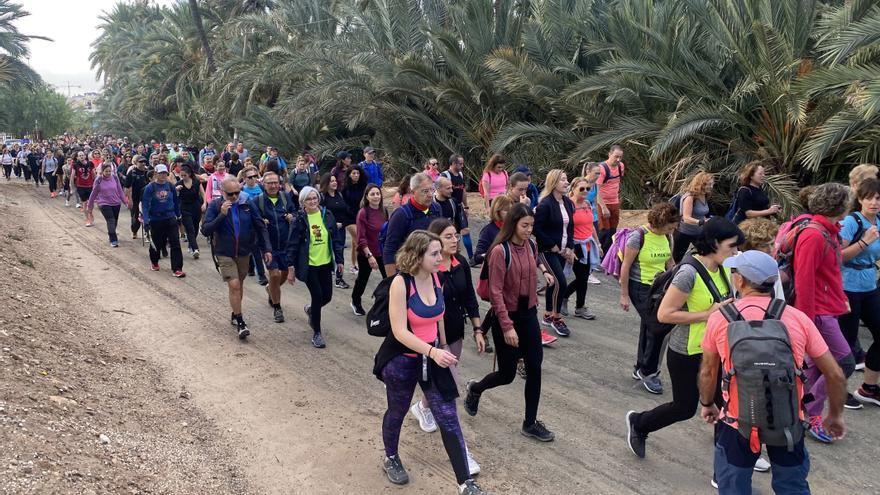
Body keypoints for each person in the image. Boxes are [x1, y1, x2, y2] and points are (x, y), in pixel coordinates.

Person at [699, 250, 847, 494]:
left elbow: (708, 371)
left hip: (738, 422)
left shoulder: (720, 319)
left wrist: (707, 403)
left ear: (740, 281)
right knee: (792, 487)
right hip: (788, 419)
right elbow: (836, 374)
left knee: (733, 486)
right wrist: (835, 415)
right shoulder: (797, 318)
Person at [372, 231, 487, 495]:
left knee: (448, 417)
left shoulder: (437, 277)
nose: (440, 257)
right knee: (397, 410)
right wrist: (433, 352)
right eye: (434, 253)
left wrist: (443, 345)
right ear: (417, 255)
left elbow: (439, 316)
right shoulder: (401, 283)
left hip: (433, 357)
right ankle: (391, 457)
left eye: (440, 252)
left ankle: (465, 483)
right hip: (401, 360)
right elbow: (400, 331)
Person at [625, 217, 742, 458]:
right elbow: (665, 314)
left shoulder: (722, 268)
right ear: (714, 243)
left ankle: (731, 454)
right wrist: (707, 314)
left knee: (726, 402)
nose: (736, 252)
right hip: (687, 351)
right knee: (684, 407)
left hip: (715, 349)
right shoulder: (688, 272)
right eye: (732, 246)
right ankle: (639, 423)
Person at [464, 203, 556, 442]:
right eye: (524, 226)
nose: (528, 230)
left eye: (531, 226)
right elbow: (495, 293)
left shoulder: (531, 245)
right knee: (506, 375)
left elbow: (535, 259)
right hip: (507, 316)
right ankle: (476, 389)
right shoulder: (499, 252)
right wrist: (506, 326)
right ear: (512, 224)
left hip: (529, 314)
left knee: (535, 368)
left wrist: (544, 271)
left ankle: (530, 423)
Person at [790, 183, 856, 440]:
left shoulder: (828, 232)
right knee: (843, 364)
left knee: (817, 367)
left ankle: (801, 409)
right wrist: (806, 324)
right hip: (818, 314)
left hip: (826, 309)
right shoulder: (815, 235)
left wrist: (840, 298)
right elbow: (804, 281)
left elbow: (828, 274)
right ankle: (810, 411)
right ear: (840, 206)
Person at [619, 203, 680, 394]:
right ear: (661, 223)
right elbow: (626, 267)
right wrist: (624, 294)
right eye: (670, 227)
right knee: (658, 327)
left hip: (659, 288)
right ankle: (649, 371)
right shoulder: (638, 237)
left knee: (649, 327)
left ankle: (641, 367)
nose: (673, 230)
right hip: (640, 288)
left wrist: (678, 278)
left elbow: (670, 262)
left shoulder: (667, 236)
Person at [202, 178, 272, 339]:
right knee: (233, 285)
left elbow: (260, 226)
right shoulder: (215, 205)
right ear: (222, 192)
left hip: (243, 251)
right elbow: (205, 230)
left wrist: (266, 248)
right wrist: (221, 215)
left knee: (239, 285)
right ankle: (241, 322)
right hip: (223, 252)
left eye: (237, 193)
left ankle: (235, 312)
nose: (234, 197)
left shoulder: (247, 203)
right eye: (230, 194)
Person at [839, 179, 880, 407]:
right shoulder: (851, 221)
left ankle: (869, 388)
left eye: (878, 198)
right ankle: (838, 390)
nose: (874, 202)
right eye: (869, 197)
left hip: (870, 284)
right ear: (860, 199)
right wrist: (864, 242)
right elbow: (838, 256)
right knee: (845, 342)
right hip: (847, 286)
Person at [287, 186, 345, 349]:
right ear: (302, 202)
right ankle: (317, 333)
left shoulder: (327, 215)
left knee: (327, 296)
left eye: (315, 198)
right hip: (309, 265)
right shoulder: (299, 219)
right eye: (308, 199)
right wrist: (290, 267)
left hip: (325, 263)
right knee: (318, 295)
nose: (312, 201)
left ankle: (312, 309)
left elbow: (336, 239)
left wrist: (339, 260)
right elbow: (292, 244)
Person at [534, 169, 575, 337]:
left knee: (553, 283)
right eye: (562, 180)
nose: (566, 183)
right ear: (553, 183)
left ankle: (548, 313)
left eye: (567, 180)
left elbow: (571, 227)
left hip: (563, 251)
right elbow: (536, 228)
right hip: (547, 251)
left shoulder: (567, 202)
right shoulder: (545, 204)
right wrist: (552, 246)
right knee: (561, 282)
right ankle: (556, 318)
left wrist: (570, 248)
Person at [254, 172, 296, 323]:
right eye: (269, 183)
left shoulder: (285, 197)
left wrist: (292, 216)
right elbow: (253, 220)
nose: (272, 186)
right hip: (268, 246)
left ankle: (270, 289)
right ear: (263, 185)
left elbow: (295, 212)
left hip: (285, 245)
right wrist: (260, 221)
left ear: (279, 183)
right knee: (275, 275)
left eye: (275, 183)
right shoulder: (257, 201)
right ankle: (277, 308)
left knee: (283, 274)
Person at [382, 173, 442, 275]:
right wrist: (391, 281)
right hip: (409, 271)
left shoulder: (437, 209)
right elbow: (390, 249)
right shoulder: (401, 215)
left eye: (432, 190)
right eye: (425, 191)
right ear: (412, 192)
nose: (430, 194)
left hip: (433, 270)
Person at [561, 176, 601, 320]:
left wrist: (598, 243)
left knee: (583, 278)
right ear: (573, 189)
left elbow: (591, 226)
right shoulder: (568, 205)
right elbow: (565, 227)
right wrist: (568, 248)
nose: (585, 191)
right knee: (582, 278)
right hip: (575, 245)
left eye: (588, 189)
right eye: (582, 188)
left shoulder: (587, 204)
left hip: (588, 245)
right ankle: (571, 302)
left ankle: (576, 305)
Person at [141, 165, 185, 277]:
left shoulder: (170, 186)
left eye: (165, 173)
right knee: (157, 243)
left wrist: (178, 216)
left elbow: (175, 201)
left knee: (175, 243)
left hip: (170, 218)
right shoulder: (150, 188)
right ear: (155, 174)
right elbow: (145, 205)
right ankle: (154, 262)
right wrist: (146, 221)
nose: (163, 175)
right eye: (160, 173)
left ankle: (177, 268)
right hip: (156, 219)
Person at [351, 184, 388, 316]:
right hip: (367, 253)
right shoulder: (363, 213)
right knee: (363, 279)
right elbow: (361, 238)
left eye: (377, 193)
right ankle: (355, 301)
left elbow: (387, 232)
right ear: (367, 196)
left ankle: (387, 305)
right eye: (372, 194)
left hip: (383, 252)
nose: (376, 196)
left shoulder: (384, 211)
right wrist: (369, 256)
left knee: (389, 279)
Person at [319, 172, 352, 288]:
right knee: (326, 253)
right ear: (326, 183)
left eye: (335, 181)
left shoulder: (340, 195)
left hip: (340, 230)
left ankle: (339, 278)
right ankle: (324, 276)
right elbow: (319, 215)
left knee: (339, 252)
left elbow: (346, 211)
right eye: (331, 181)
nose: (334, 183)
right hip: (326, 231)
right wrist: (332, 224)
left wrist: (343, 223)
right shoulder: (322, 197)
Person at [673, 171, 714, 263]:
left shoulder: (705, 196)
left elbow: (702, 213)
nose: (711, 187)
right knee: (677, 258)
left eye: (712, 184)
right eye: (708, 184)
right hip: (684, 232)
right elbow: (686, 218)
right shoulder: (690, 197)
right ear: (701, 184)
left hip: (698, 232)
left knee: (706, 253)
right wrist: (701, 222)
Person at [87, 164, 130, 247]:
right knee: (111, 220)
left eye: (109, 171)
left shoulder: (115, 178)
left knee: (115, 221)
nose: (108, 173)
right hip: (104, 203)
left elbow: (120, 191)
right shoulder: (98, 180)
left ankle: (111, 233)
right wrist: (90, 205)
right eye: (106, 171)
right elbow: (94, 193)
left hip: (116, 203)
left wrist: (125, 202)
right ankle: (113, 239)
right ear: (102, 171)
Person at [441, 154, 474, 259]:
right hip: (449, 207)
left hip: (459, 207)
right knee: (450, 232)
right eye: (460, 163)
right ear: (453, 163)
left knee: (465, 230)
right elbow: (439, 190)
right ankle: (451, 256)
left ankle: (471, 258)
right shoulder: (445, 175)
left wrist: (466, 206)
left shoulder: (460, 174)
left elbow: (463, 191)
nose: (462, 166)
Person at [596, 145, 626, 253]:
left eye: (620, 157)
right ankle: (599, 255)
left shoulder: (620, 166)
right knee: (604, 231)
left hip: (614, 201)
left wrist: (619, 198)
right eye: (616, 156)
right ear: (609, 154)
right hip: (603, 202)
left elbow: (617, 182)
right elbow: (597, 190)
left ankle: (608, 257)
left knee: (613, 231)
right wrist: (603, 207)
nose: (618, 160)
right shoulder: (602, 168)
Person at [472, 195, 513, 266]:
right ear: (497, 211)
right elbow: (477, 257)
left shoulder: (514, 227)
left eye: (511, 210)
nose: (510, 213)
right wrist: (495, 254)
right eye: (506, 210)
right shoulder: (488, 231)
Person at [176, 164, 205, 258]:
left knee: (196, 227)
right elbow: (173, 196)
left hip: (196, 207)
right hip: (184, 208)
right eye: (181, 175)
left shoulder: (196, 182)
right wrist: (177, 190)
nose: (183, 177)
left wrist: (204, 203)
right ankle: (195, 249)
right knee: (190, 228)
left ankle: (191, 244)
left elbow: (203, 193)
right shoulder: (179, 184)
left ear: (189, 174)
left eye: (185, 175)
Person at [343, 165, 367, 270]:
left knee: (354, 242)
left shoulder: (364, 187)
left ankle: (354, 265)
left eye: (357, 173)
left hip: (361, 217)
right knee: (359, 240)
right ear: (349, 175)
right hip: (349, 218)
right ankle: (362, 265)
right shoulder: (345, 189)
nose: (356, 175)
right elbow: (343, 204)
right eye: (353, 173)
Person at [124, 155, 150, 239]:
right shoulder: (132, 173)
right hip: (135, 198)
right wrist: (129, 199)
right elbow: (127, 187)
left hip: (147, 198)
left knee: (149, 215)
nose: (143, 163)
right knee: (136, 217)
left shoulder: (148, 172)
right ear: (136, 163)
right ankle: (134, 231)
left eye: (144, 162)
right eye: (140, 162)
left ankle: (148, 232)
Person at [71, 151, 96, 225]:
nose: (81, 156)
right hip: (81, 186)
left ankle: (90, 213)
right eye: (80, 155)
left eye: (83, 155)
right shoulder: (75, 165)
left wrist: (96, 184)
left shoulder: (90, 164)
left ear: (85, 156)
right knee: (84, 203)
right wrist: (72, 187)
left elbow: (93, 174)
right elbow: (72, 176)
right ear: (77, 157)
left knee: (91, 203)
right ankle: (87, 219)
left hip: (90, 186)